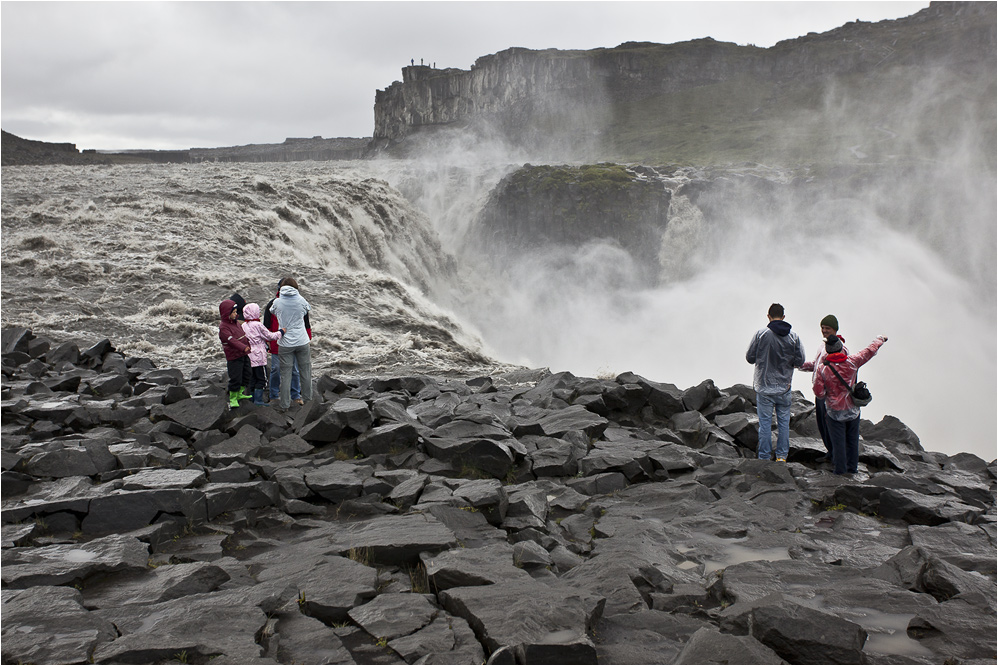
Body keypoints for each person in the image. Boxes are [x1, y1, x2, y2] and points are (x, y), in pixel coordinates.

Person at [814, 334, 888, 475]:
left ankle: (840, 472)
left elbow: (819, 393)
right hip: (853, 410)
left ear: (828, 351)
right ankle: (852, 470)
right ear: (841, 349)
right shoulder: (853, 362)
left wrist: (828, 396)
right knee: (853, 441)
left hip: (834, 413)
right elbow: (869, 350)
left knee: (838, 443)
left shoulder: (823, 369)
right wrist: (880, 339)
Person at [746, 303, 806, 462]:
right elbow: (800, 361)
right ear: (784, 317)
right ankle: (781, 456)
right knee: (784, 424)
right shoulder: (794, 337)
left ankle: (764, 457)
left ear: (768, 316)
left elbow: (750, 358)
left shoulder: (761, 334)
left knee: (765, 425)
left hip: (764, 387)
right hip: (784, 387)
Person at [799, 314, 848, 462]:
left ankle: (837, 456)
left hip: (831, 395)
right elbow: (816, 364)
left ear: (835, 329)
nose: (824, 330)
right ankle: (830, 452)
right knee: (822, 425)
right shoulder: (823, 345)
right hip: (820, 391)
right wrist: (798, 365)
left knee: (831, 426)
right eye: (822, 327)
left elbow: (844, 370)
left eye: (827, 328)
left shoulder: (841, 348)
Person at [263, 278, 311, 404]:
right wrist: (267, 339)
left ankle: (295, 396)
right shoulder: (274, 303)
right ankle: (274, 395)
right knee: (276, 369)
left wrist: (308, 334)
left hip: (291, 341)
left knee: (293, 370)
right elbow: (266, 324)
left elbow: (306, 321)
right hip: (277, 341)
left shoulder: (296, 301)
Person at [241, 302, 284, 405]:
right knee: (261, 379)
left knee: (252, 379)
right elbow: (270, 336)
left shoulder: (243, 325)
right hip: (259, 357)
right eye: (258, 311)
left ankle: (251, 400)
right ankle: (258, 400)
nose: (259, 312)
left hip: (248, 356)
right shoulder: (258, 325)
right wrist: (281, 332)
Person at [218, 298, 252, 409]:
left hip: (243, 354)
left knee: (247, 373)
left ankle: (240, 393)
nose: (236, 314)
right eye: (233, 312)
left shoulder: (236, 323)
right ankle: (233, 397)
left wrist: (248, 344)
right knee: (235, 377)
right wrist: (243, 347)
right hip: (234, 356)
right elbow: (231, 340)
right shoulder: (224, 328)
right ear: (226, 313)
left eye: (236, 311)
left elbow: (242, 334)